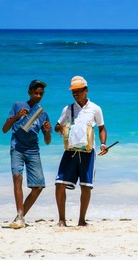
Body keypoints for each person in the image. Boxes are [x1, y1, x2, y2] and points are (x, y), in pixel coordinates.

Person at [54, 76, 108, 227]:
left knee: (86, 186)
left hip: (87, 152)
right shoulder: (68, 109)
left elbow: (102, 128)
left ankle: (81, 220)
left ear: (86, 90)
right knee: (59, 184)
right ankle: (62, 220)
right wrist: (61, 128)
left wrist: (103, 144)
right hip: (70, 151)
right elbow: (57, 126)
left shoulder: (95, 109)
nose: (75, 94)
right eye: (73, 91)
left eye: (78, 91)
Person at [2, 80, 52, 229]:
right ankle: (20, 217)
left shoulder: (42, 114)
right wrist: (17, 116)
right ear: (29, 92)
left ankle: (20, 216)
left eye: (41, 94)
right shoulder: (18, 106)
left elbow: (47, 141)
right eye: (35, 93)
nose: (38, 96)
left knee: (38, 187)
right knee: (17, 178)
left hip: (33, 151)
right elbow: (5, 129)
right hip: (17, 148)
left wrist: (48, 131)